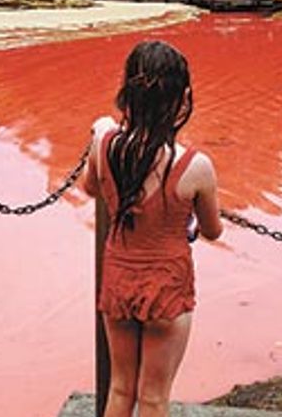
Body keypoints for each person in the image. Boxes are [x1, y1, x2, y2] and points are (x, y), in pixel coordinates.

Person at [82, 40, 222, 417]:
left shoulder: (105, 145)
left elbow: (90, 188)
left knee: (120, 388)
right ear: (182, 99)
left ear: (128, 92)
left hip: (118, 279)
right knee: (155, 396)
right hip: (166, 285)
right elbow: (213, 230)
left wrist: (102, 130)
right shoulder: (196, 166)